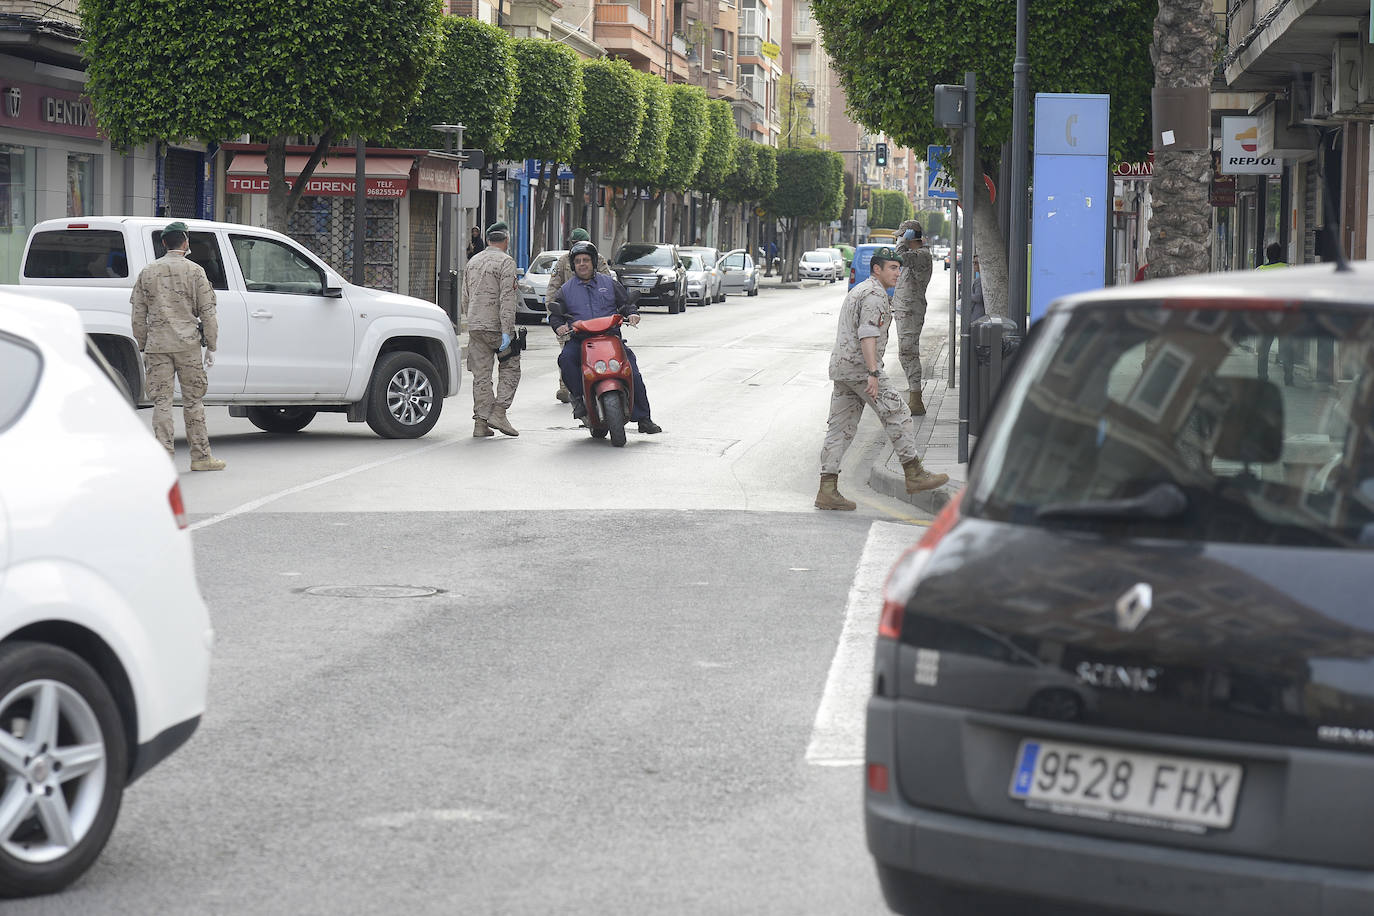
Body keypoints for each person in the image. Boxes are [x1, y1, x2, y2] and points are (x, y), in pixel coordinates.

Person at [815, 246, 948, 510]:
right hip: (862, 369)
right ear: (877, 269)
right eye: (893, 268)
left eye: (899, 268)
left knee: (840, 429)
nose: (898, 273)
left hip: (843, 369)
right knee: (898, 412)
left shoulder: (860, 290)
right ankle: (914, 473)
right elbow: (867, 334)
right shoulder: (875, 295)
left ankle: (827, 489)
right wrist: (874, 372)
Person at [130, 221, 225, 471]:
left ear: (163, 243)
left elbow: (138, 314)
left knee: (162, 402)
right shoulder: (195, 271)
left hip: (157, 345)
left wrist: (142, 344)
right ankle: (201, 456)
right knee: (193, 401)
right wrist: (212, 346)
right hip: (188, 345)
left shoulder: (148, 272)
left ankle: (163, 457)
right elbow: (208, 312)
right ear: (185, 242)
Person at [549, 241, 662, 434]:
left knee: (632, 370)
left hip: (610, 338)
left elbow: (626, 303)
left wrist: (632, 313)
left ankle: (644, 418)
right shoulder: (566, 289)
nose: (582, 264)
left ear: (593, 262)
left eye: (586, 260)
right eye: (578, 261)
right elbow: (555, 314)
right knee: (565, 360)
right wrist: (559, 326)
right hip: (581, 339)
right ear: (573, 265)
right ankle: (579, 400)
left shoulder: (609, 283)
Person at [462, 221, 521, 437]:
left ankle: (480, 423)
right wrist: (507, 331)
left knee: (481, 375)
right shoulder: (506, 262)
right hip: (496, 327)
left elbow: (465, 296)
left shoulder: (473, 261)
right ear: (506, 241)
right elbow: (507, 297)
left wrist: (472, 320)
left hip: (476, 325)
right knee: (511, 367)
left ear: (487, 240)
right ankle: (498, 412)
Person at [545, 228, 609, 404]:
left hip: (594, 315)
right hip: (569, 315)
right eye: (573, 245)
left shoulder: (598, 259)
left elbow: (607, 285)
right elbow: (553, 288)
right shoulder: (563, 261)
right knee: (567, 352)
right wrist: (554, 316)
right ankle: (566, 387)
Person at [893, 218, 934, 416]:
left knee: (908, 351)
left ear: (909, 236)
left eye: (901, 235)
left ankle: (916, 398)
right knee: (905, 352)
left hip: (911, 310)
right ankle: (913, 395)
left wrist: (902, 242)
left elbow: (900, 257)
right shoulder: (916, 254)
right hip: (905, 309)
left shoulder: (922, 255)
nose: (898, 239)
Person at [1256, 242, 1292, 385]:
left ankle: (1262, 377)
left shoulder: (1260, 271)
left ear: (1267, 255)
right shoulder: (1288, 269)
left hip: (1266, 317)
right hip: (1284, 316)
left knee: (1263, 350)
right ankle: (1289, 378)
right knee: (1287, 348)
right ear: (1280, 254)